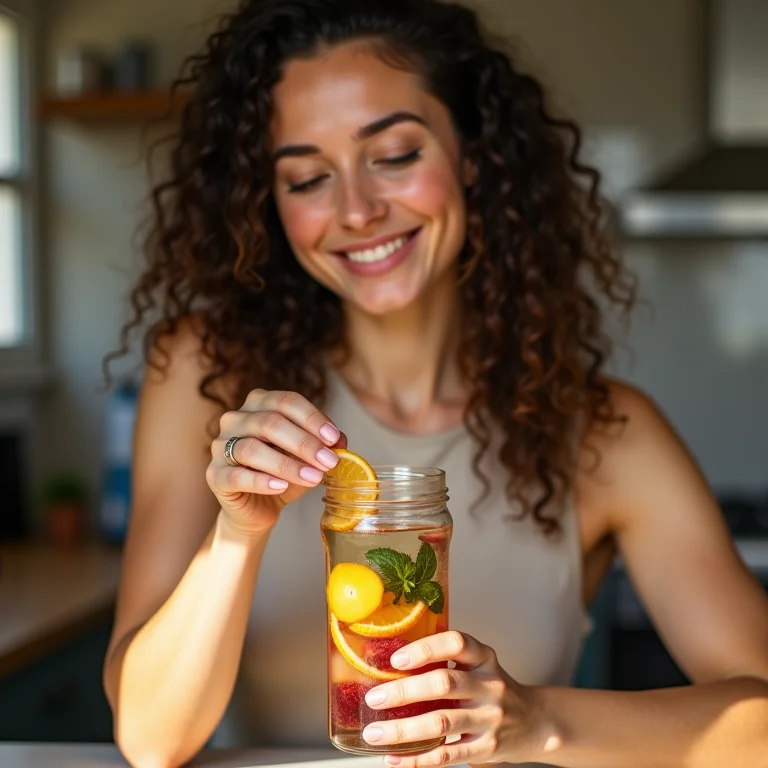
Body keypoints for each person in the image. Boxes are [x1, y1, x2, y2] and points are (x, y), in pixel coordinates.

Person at [102, 1, 768, 766]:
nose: (356, 210)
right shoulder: (203, 373)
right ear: (268, 203)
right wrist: (238, 532)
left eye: (393, 155)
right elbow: (150, 742)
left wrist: (536, 720)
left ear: (474, 155)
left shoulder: (606, 433)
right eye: (308, 177)